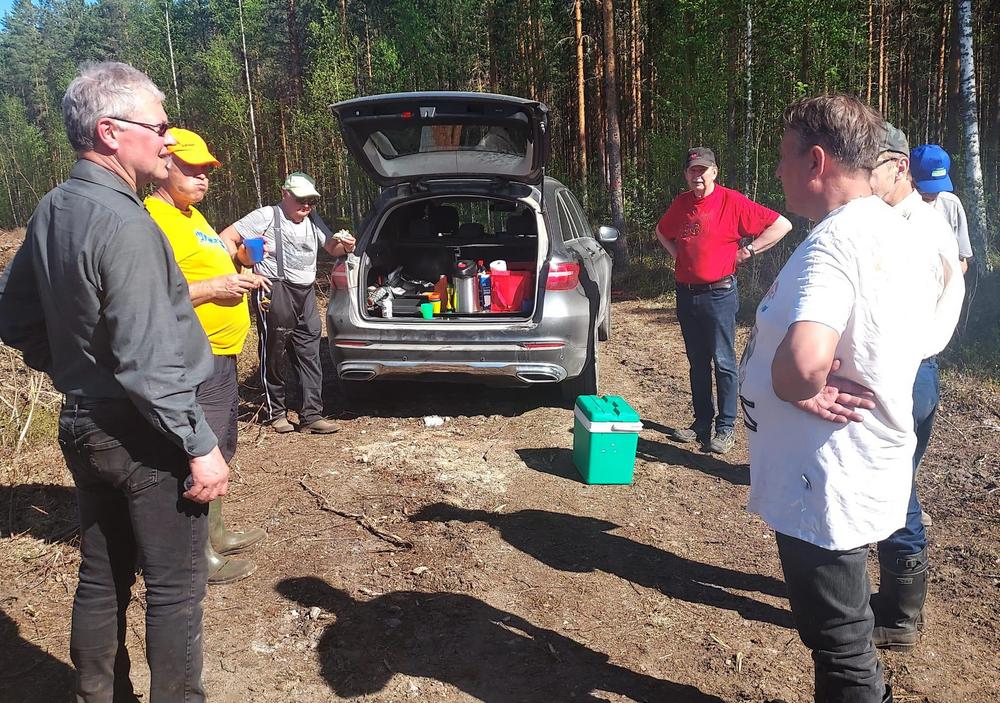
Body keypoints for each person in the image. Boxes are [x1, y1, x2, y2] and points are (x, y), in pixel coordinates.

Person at [0, 62, 228, 702]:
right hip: (144, 433)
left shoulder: (54, 207)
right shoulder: (128, 223)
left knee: (102, 577)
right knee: (175, 590)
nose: (169, 140)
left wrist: (71, 366)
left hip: (84, 423)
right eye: (159, 127)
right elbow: (150, 360)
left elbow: (13, 314)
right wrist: (198, 443)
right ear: (109, 132)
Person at [739, 95, 960, 702]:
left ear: (815, 161)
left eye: (783, 157)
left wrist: (793, 386)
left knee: (840, 643)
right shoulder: (897, 229)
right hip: (854, 461)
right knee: (845, 634)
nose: (777, 171)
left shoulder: (835, 242)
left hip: (823, 477)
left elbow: (804, 362)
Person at [145, 127, 269, 584]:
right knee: (194, 452)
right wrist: (215, 287)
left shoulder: (193, 216)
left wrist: (239, 267)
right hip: (192, 356)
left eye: (207, 170)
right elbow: (152, 293)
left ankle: (214, 533)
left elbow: (206, 267)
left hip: (222, 355)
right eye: (192, 168)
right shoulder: (153, 219)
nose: (203, 177)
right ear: (164, 166)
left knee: (220, 444)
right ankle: (196, 555)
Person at [864, 123, 964, 651]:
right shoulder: (913, 220)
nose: (863, 177)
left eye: (871, 167)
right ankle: (896, 605)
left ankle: (900, 616)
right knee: (896, 483)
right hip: (917, 369)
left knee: (896, 487)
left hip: (904, 370)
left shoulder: (911, 227)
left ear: (899, 167)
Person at [655, 147, 792, 454]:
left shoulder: (731, 201)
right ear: (686, 174)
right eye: (692, 170)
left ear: (714, 172)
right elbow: (661, 232)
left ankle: (726, 427)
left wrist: (748, 251)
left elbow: (782, 224)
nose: (697, 175)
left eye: (703, 170)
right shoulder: (682, 204)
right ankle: (701, 422)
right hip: (686, 293)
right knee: (697, 362)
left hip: (719, 294)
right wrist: (679, 257)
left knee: (724, 361)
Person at [220, 173, 355, 434]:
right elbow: (225, 238)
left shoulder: (313, 219)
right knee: (274, 351)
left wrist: (347, 245)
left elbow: (332, 248)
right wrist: (243, 271)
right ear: (285, 194)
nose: (307, 205)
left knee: (309, 352)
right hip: (275, 289)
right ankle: (276, 412)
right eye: (301, 199)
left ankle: (311, 415)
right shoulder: (266, 216)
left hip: (306, 293)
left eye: (311, 200)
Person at [910, 144, 973, 274]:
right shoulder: (898, 206)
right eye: (929, 187)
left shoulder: (951, 204)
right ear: (910, 177)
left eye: (938, 186)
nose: (935, 193)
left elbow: (962, 261)